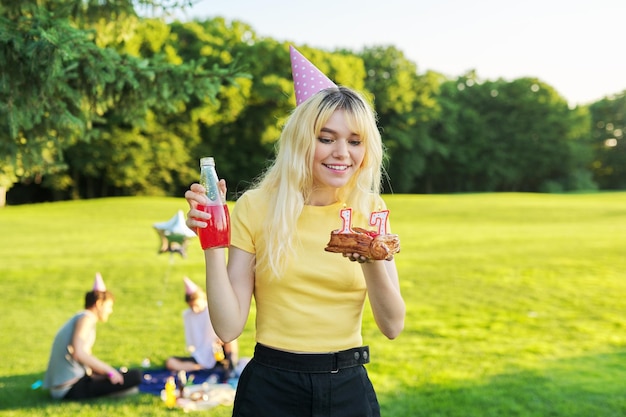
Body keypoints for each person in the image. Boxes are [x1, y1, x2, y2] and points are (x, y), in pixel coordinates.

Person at [184, 45, 405, 417]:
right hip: (271, 389)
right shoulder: (256, 206)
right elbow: (227, 327)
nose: (342, 153)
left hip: (347, 385)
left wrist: (368, 257)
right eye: (326, 138)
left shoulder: (370, 211)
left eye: (354, 141)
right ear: (302, 139)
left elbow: (393, 324)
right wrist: (212, 242)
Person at [42, 273, 142, 400]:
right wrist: (109, 371)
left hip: (65, 385)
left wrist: (106, 373)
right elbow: (78, 353)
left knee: (122, 375)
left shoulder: (79, 317)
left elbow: (83, 357)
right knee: (135, 376)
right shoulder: (86, 318)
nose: (110, 311)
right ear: (99, 303)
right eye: (109, 306)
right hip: (70, 389)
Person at [165, 277, 238, 381]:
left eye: (196, 305)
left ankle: (230, 368)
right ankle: (200, 368)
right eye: (191, 307)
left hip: (218, 351)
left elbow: (228, 329)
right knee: (170, 362)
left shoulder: (213, 309)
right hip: (200, 355)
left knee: (231, 339)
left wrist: (221, 339)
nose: (194, 309)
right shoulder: (188, 315)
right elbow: (193, 343)